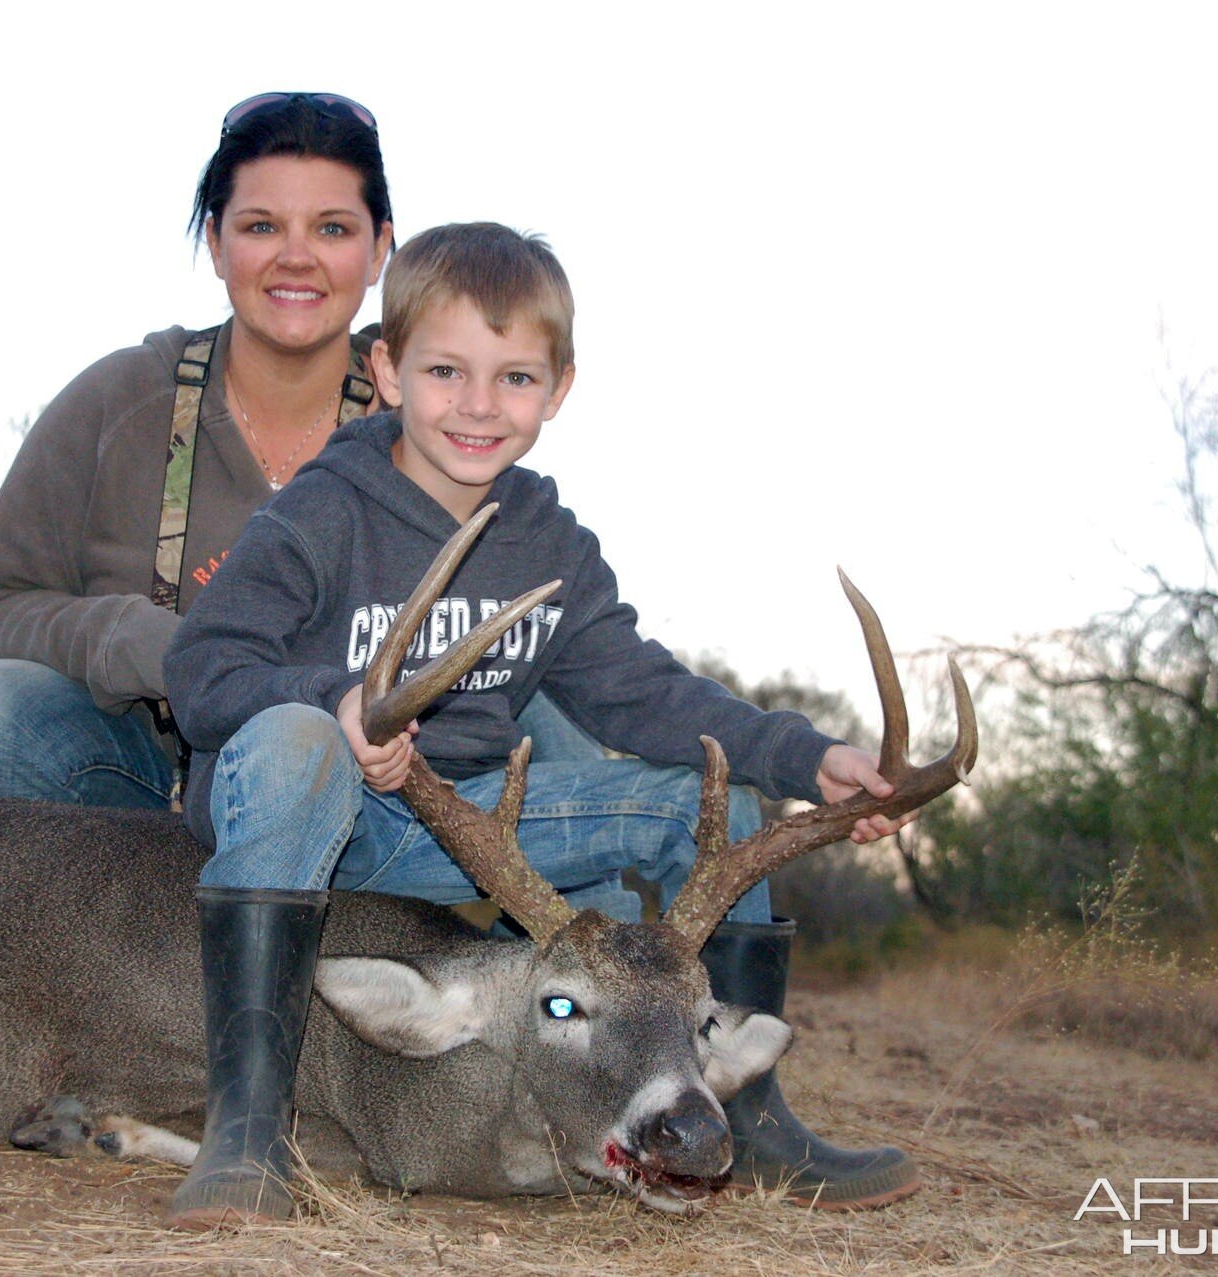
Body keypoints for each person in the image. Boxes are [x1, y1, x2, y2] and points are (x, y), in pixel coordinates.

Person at [164, 223, 918, 1227]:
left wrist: (811, 757)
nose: (479, 404)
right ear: (385, 371)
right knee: (296, 737)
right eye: (446, 371)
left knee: (721, 799)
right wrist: (335, 703)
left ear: (558, 388)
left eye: (514, 377)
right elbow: (203, 670)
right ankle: (247, 1128)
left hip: (467, 823)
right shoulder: (322, 514)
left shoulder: (547, 541)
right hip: (316, 811)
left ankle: (756, 1116)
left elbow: (643, 692)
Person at [0, 93, 396, 801]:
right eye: (261, 225)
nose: (297, 257)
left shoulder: (428, 412)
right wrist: (144, 644)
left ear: (380, 248)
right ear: (215, 242)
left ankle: (598, 916)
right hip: (146, 784)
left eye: (332, 228)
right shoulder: (123, 397)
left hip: (360, 790)